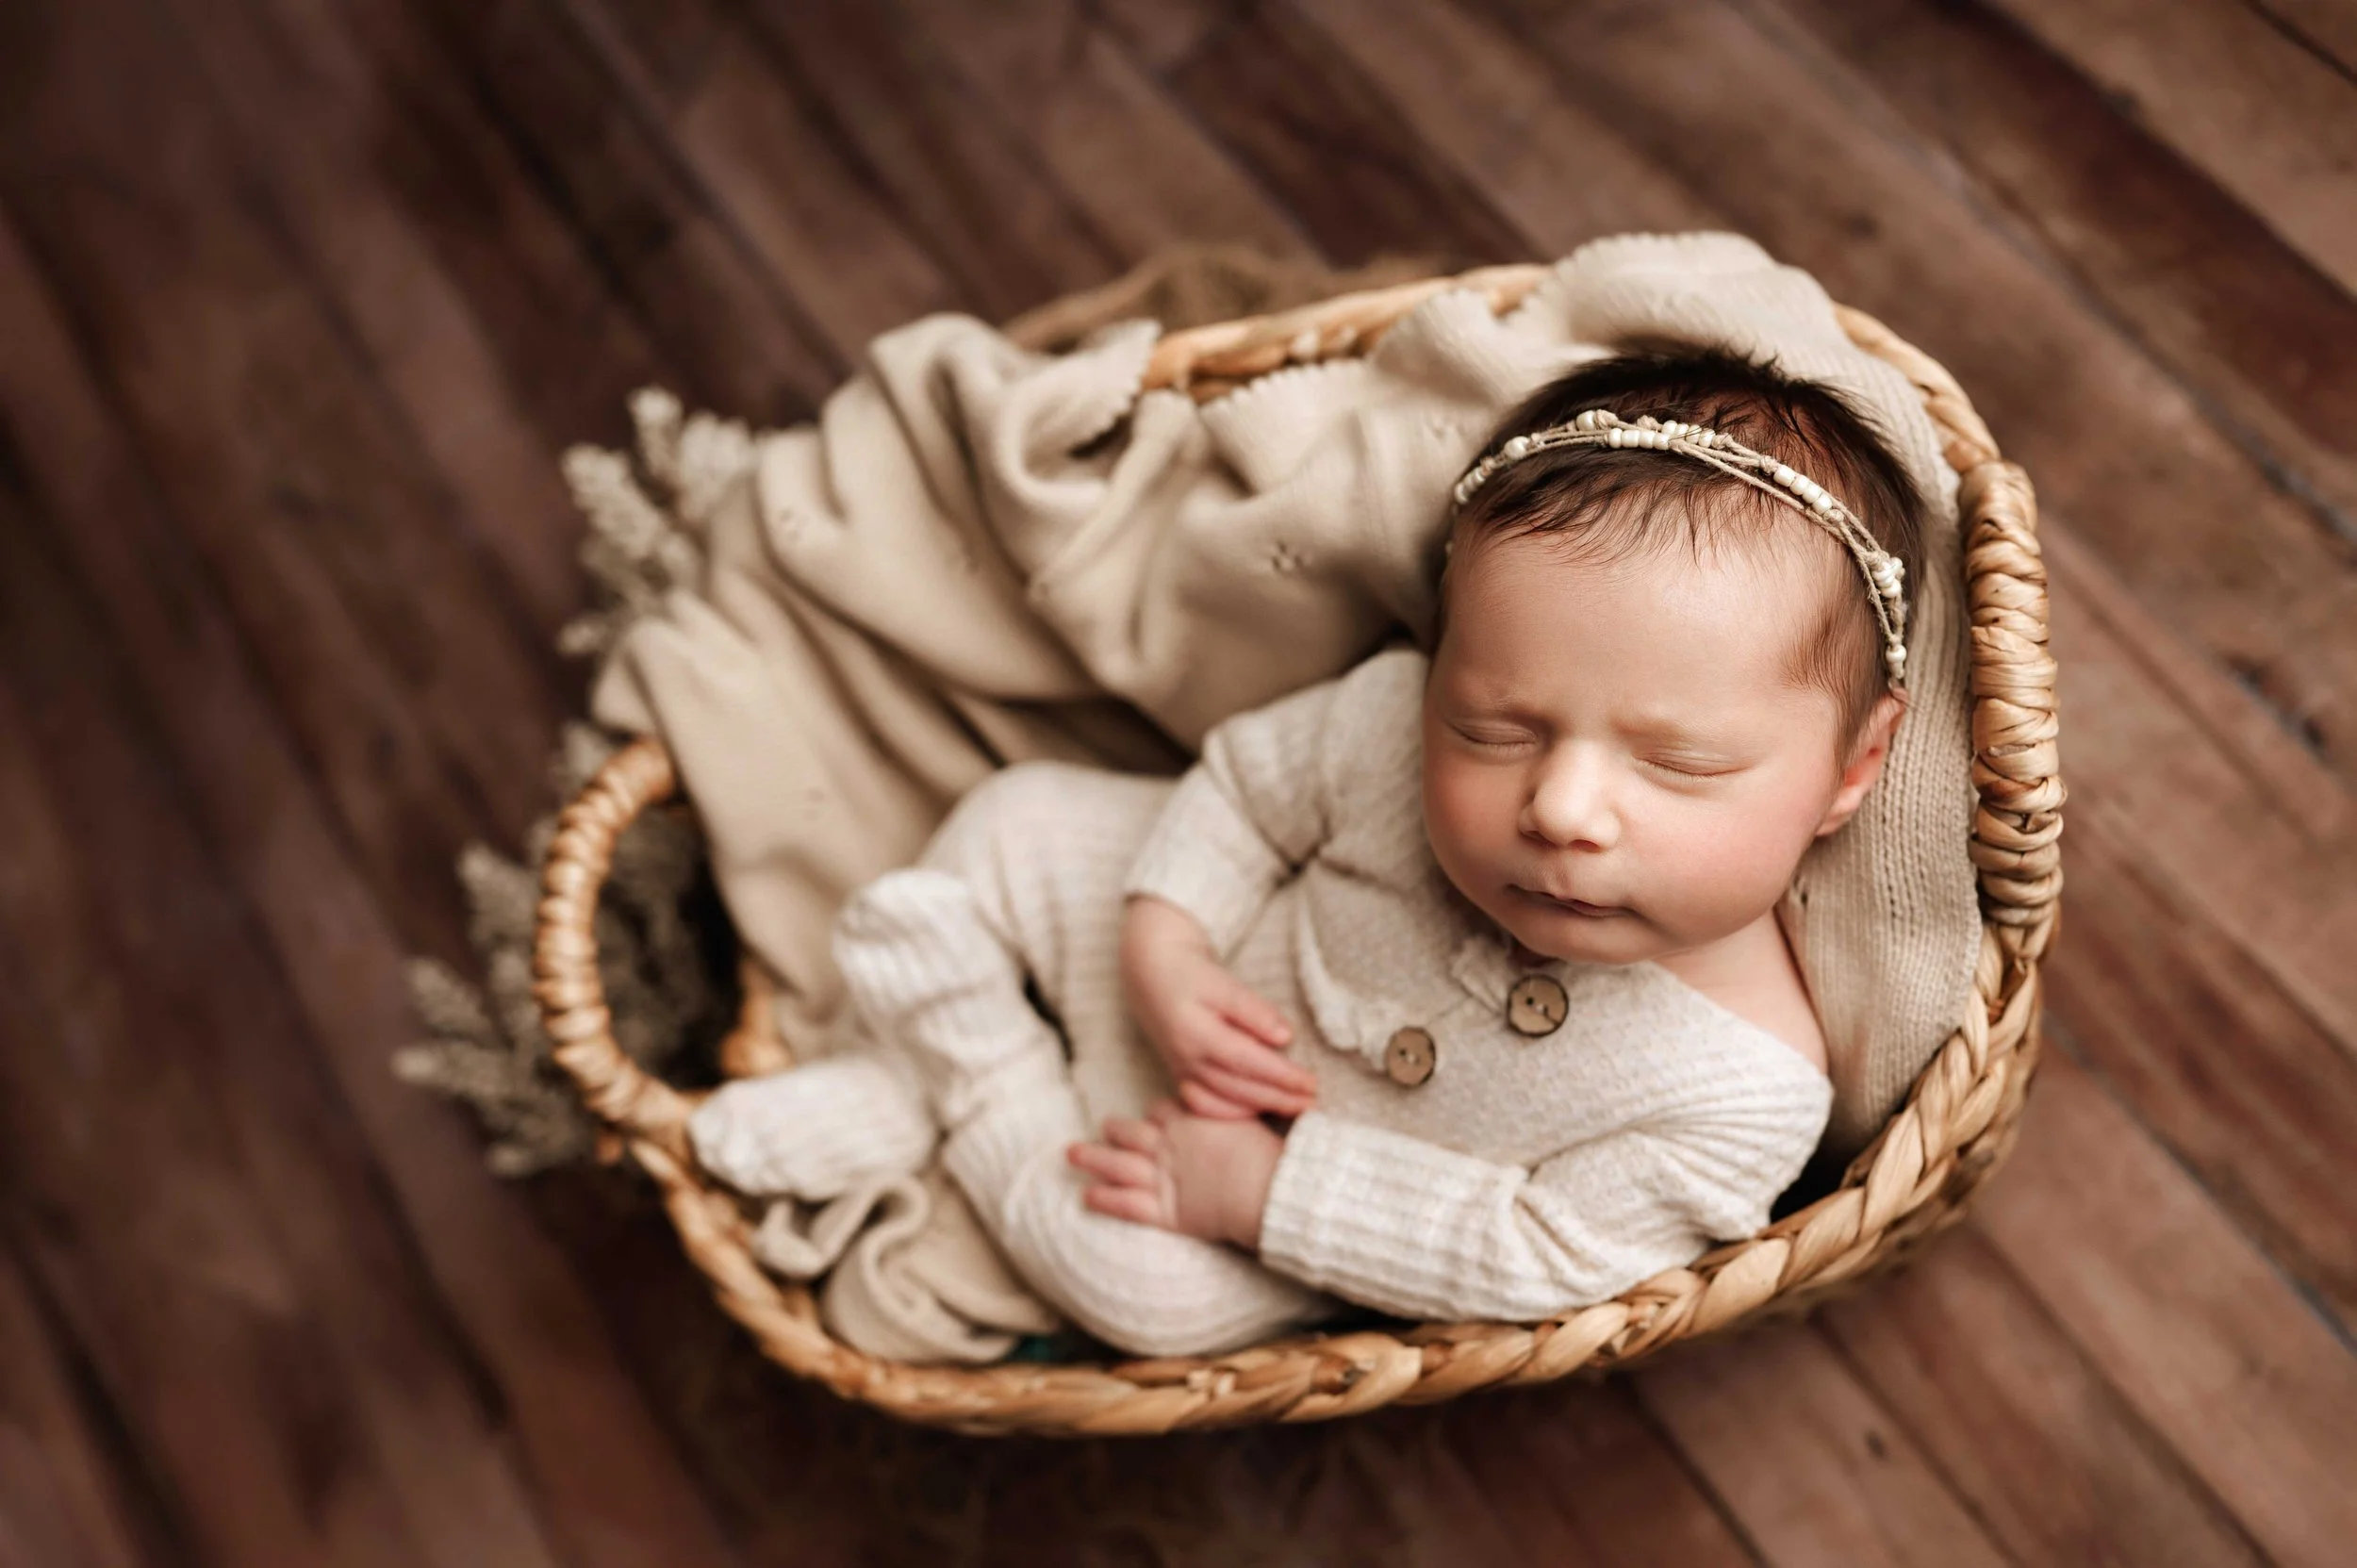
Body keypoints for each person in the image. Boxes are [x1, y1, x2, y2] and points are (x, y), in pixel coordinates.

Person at [687, 345, 1926, 1357]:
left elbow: (1542, 1251)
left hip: (1203, 1197)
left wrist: (1262, 1193)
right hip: (1186, 973)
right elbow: (1245, 794)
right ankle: (897, 1073)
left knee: (1140, 1295)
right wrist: (1167, 943)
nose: (1560, 806)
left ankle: (967, 1077)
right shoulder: (1392, 719)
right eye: (1494, 727)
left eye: (1679, 764)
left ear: (1853, 768)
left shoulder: (1744, 1086)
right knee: (1016, 822)